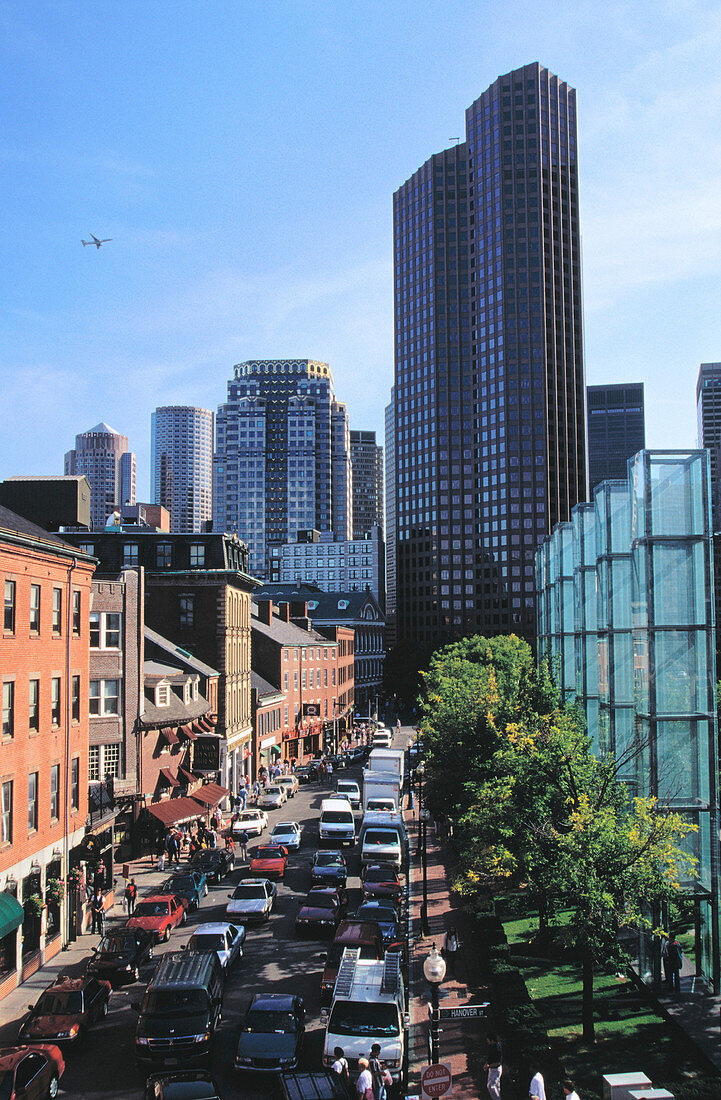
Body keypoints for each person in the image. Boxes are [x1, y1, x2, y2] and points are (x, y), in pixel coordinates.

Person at [483, 1032, 502, 1100]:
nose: (487, 1041)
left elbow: (498, 1063)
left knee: (491, 1086)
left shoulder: (497, 1048)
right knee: (495, 1086)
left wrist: (488, 1066)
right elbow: (490, 1057)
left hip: (496, 1070)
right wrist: (486, 1064)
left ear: (491, 1040)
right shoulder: (491, 1046)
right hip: (491, 1069)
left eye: (487, 1039)